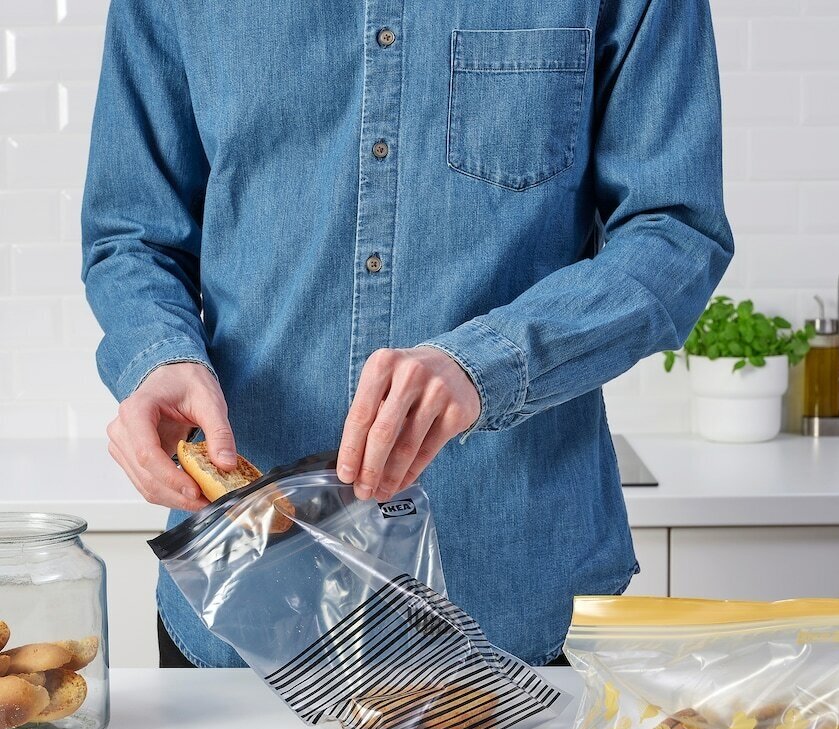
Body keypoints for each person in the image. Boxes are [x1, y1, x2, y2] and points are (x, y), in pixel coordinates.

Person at [82, 0, 732, 668]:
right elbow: (131, 235)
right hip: (240, 609)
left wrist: (487, 364)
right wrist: (159, 356)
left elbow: (676, 233)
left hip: (513, 596)